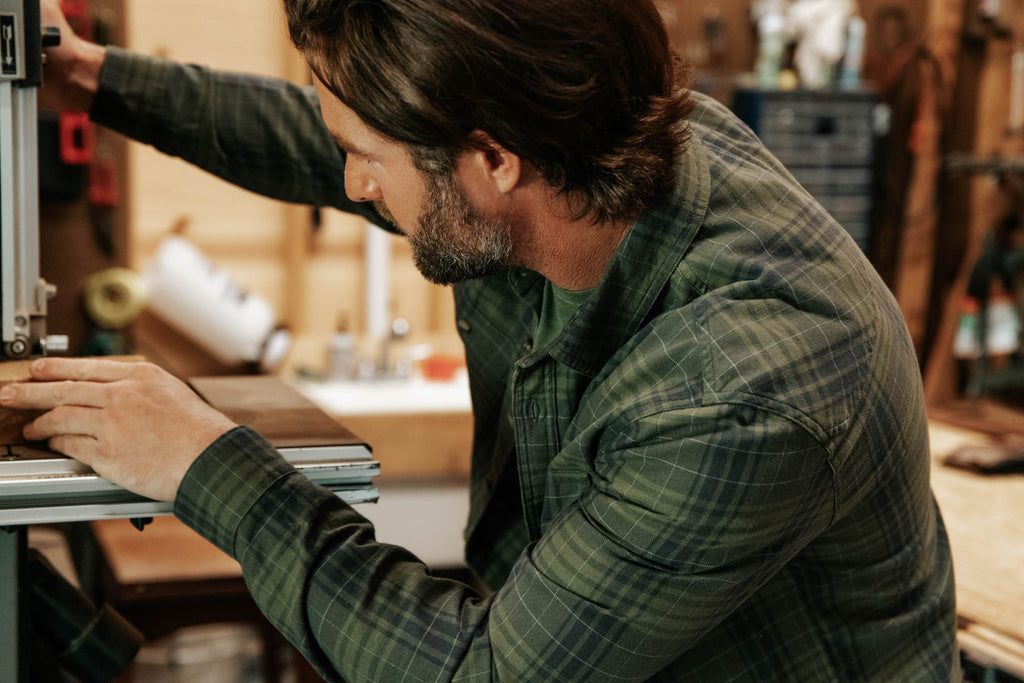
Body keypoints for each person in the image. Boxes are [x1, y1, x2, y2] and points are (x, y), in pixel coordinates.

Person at [2, 1, 958, 680]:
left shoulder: (740, 388)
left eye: (366, 160)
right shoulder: (575, 156)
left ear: (495, 158)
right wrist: (94, 77)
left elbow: (485, 671)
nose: (351, 186)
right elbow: (324, 137)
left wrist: (209, 463)